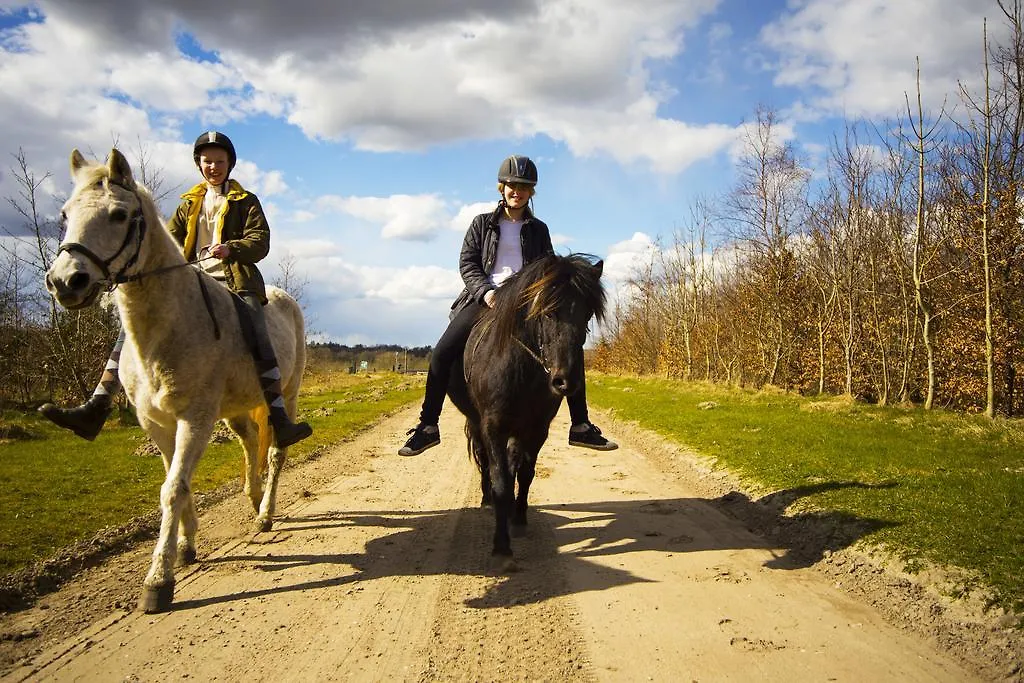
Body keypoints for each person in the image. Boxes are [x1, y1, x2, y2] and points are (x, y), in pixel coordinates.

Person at [39, 131, 313, 449]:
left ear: (229, 164)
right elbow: (163, 240)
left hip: (235, 281)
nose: (213, 166)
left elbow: (260, 240)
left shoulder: (246, 201)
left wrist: (231, 247)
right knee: (130, 329)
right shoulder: (188, 204)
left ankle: (279, 417)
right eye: (207, 161)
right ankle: (97, 405)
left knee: (257, 328)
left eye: (219, 161)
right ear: (199, 164)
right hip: (191, 282)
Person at [398, 154, 617, 456]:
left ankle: (581, 425)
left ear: (531, 192)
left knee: (570, 347)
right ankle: (427, 426)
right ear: (502, 188)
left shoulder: (539, 229)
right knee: (442, 353)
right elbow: (468, 263)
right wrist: (486, 292)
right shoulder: (481, 224)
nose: (518, 191)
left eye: (524, 187)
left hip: (527, 304)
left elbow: (548, 268)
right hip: (487, 299)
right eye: (512, 185)